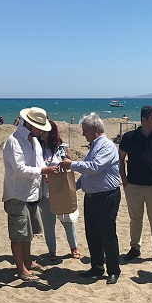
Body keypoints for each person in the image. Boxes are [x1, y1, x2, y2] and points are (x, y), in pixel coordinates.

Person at [60, 113, 121, 285]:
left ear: (95, 129)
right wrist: (72, 188)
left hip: (106, 196)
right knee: (92, 234)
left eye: (85, 131)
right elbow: (87, 175)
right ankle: (97, 266)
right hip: (92, 197)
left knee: (107, 235)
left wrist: (71, 164)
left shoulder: (107, 146)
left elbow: (95, 167)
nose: (83, 134)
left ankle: (113, 270)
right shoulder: (94, 146)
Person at [2, 107, 59, 281]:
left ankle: (27, 261)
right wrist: (43, 171)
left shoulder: (33, 141)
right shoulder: (14, 141)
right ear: (29, 124)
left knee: (28, 233)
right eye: (38, 127)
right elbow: (19, 169)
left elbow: (39, 162)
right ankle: (21, 269)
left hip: (32, 193)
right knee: (18, 234)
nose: (41, 131)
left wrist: (45, 173)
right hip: (17, 194)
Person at [119, 105, 152, 266]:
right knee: (135, 220)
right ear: (144, 120)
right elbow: (120, 160)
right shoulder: (129, 137)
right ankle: (135, 248)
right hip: (133, 186)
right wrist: (125, 181)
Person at [39, 119, 80, 261]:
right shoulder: (37, 148)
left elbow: (70, 165)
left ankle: (74, 247)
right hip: (45, 192)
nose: (41, 133)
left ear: (51, 132)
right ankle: (52, 250)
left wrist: (57, 170)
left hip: (61, 190)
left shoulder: (62, 147)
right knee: (48, 224)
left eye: (44, 130)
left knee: (68, 221)